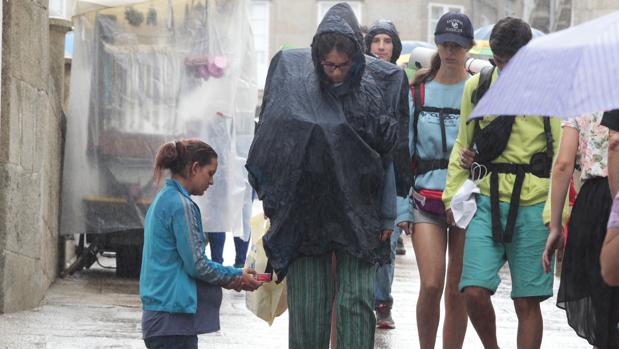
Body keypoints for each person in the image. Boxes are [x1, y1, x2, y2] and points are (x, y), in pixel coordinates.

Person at [246, 3, 408, 348]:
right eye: (328, 65)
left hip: (359, 208)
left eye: (343, 66)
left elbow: (387, 155)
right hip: (307, 210)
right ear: (317, 59)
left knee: (357, 302)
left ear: (357, 61)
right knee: (308, 306)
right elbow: (272, 145)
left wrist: (388, 215)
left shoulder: (379, 85)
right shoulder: (294, 81)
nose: (335, 73)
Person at [442, 17, 562, 349]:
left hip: (535, 203)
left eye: (512, 61)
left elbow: (562, 159)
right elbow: (462, 146)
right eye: (498, 60)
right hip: (485, 201)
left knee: (526, 301)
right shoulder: (477, 87)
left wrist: (559, 213)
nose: (504, 67)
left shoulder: (549, 91)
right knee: (474, 291)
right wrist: (452, 194)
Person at [395, 12, 473, 348]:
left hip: (468, 200)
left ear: (468, 47)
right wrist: (400, 208)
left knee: (457, 290)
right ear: (437, 45)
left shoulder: (478, 93)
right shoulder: (418, 93)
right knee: (431, 284)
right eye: (444, 43)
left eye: (457, 44)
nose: (451, 50)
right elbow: (403, 153)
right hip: (425, 198)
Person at [140, 139, 261, 349]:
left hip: (161, 319)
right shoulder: (182, 206)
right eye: (210, 173)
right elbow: (198, 264)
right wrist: (236, 275)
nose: (211, 182)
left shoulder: (163, 200)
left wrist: (232, 278)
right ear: (195, 168)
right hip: (172, 323)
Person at [542, 112, 619, 348]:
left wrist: (555, 226)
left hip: (592, 205)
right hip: (614, 196)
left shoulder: (583, 100)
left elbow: (563, 165)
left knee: (602, 310)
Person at [365, 18, 405, 330]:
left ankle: (383, 303)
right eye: (376, 40)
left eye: (386, 41)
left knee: (386, 239)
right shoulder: (357, 76)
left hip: (390, 168)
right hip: (362, 166)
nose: (381, 46)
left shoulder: (401, 81)